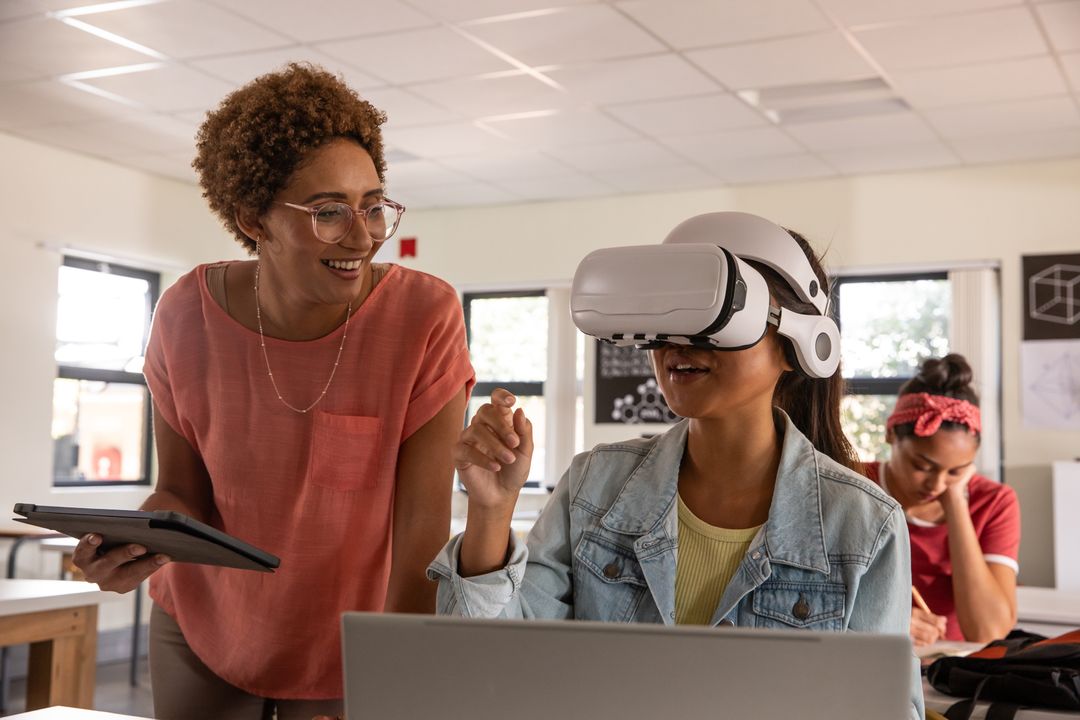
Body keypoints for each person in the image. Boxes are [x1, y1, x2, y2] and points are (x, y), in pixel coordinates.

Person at [70, 63, 474, 720]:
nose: (364, 234)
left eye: (374, 205)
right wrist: (138, 544)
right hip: (202, 627)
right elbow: (183, 494)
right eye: (328, 212)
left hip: (349, 643)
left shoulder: (423, 317)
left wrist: (399, 676)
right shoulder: (184, 314)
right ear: (253, 218)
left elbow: (422, 529)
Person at [428, 212, 924, 719]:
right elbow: (492, 666)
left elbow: (882, 709)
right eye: (668, 316)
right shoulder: (594, 488)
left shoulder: (864, 525)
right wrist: (490, 512)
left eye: (715, 317)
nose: (677, 343)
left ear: (799, 344)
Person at [865, 354, 1020, 646]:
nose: (936, 484)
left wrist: (957, 505)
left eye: (956, 471)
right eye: (922, 466)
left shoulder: (995, 502)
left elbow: (988, 633)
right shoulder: (853, 483)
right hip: (868, 658)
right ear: (890, 435)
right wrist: (884, 619)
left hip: (950, 669)